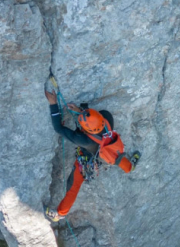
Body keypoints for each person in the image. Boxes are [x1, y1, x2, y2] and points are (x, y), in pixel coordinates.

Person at [44, 89, 140, 222]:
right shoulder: (107, 117)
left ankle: (59, 215)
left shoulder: (83, 140)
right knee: (117, 158)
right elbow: (93, 120)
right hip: (108, 148)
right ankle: (131, 166)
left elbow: (58, 129)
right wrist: (80, 111)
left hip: (87, 159)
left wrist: (53, 104)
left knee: (73, 186)